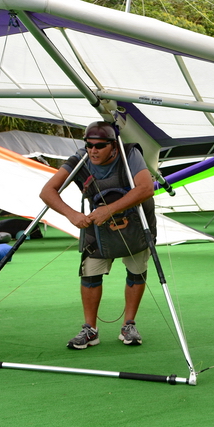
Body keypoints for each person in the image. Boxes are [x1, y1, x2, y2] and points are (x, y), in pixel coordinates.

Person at [39, 120, 156, 349]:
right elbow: (47, 191)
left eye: (99, 146)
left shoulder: (129, 153)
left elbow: (146, 188)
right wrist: (71, 214)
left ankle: (129, 325)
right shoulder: (81, 158)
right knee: (90, 273)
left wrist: (110, 209)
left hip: (134, 220)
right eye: (89, 145)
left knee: (136, 269)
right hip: (98, 225)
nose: (93, 150)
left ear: (113, 145)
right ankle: (90, 330)